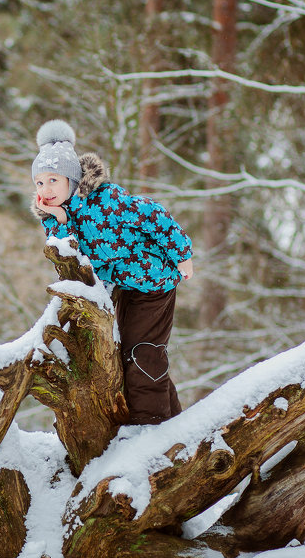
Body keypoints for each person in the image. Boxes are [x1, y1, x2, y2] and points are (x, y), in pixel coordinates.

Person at [30, 120, 194, 425]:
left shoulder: (106, 201)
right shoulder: (62, 216)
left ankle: (153, 429)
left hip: (154, 282)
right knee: (128, 351)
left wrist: (182, 254)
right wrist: (58, 219)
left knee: (142, 352)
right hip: (124, 286)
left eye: (53, 180)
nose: (45, 189)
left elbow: (154, 214)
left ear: (72, 179)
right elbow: (68, 255)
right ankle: (176, 422)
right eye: (39, 183)